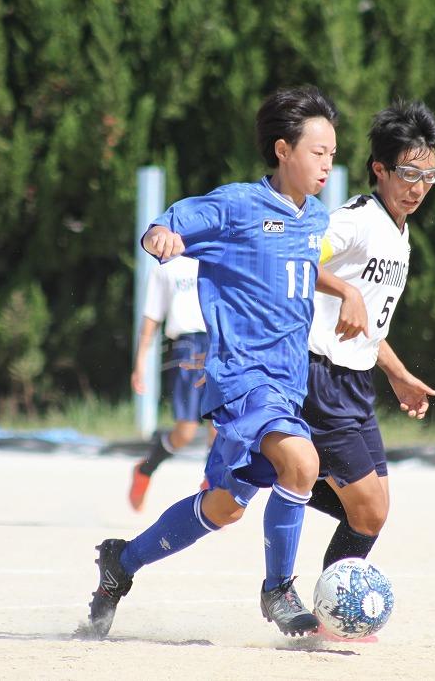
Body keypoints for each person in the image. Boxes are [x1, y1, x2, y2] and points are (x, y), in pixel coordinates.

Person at [88, 85, 338, 639]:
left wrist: (349, 290)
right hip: (243, 378)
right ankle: (278, 590)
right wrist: (162, 237)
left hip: (286, 384)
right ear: (282, 150)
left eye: (332, 153)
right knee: (302, 463)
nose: (327, 163)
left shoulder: (315, 217)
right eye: (318, 152)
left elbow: (298, 269)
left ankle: (120, 563)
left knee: (222, 508)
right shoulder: (237, 206)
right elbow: (168, 223)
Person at [304, 100, 435, 570]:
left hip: (356, 383)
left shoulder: (398, 234)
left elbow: (371, 327)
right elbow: (300, 259)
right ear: (379, 169)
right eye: (408, 174)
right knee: (369, 511)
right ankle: (274, 471)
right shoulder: (358, 220)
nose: (418, 188)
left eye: (429, 176)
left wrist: (399, 374)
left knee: (374, 510)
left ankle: (276, 471)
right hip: (321, 377)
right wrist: (344, 290)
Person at [128, 255, 216, 511]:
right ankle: (146, 469)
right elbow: (151, 317)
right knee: (185, 432)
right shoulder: (167, 268)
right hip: (186, 347)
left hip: (217, 343)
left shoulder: (217, 256)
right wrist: (140, 363)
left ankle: (212, 490)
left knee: (219, 428)